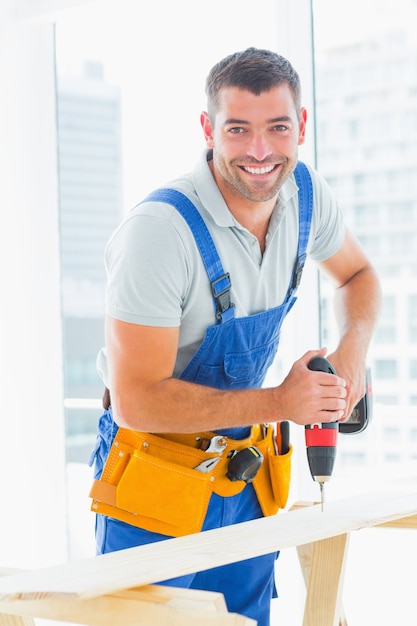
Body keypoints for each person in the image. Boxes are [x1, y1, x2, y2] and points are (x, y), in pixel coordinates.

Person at [89, 47, 381, 626]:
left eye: (277, 127)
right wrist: (280, 403)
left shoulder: (305, 195)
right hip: (152, 484)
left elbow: (358, 276)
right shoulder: (159, 233)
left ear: (300, 126)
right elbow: (136, 399)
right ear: (208, 129)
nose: (260, 151)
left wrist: (351, 354)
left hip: (243, 482)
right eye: (238, 129)